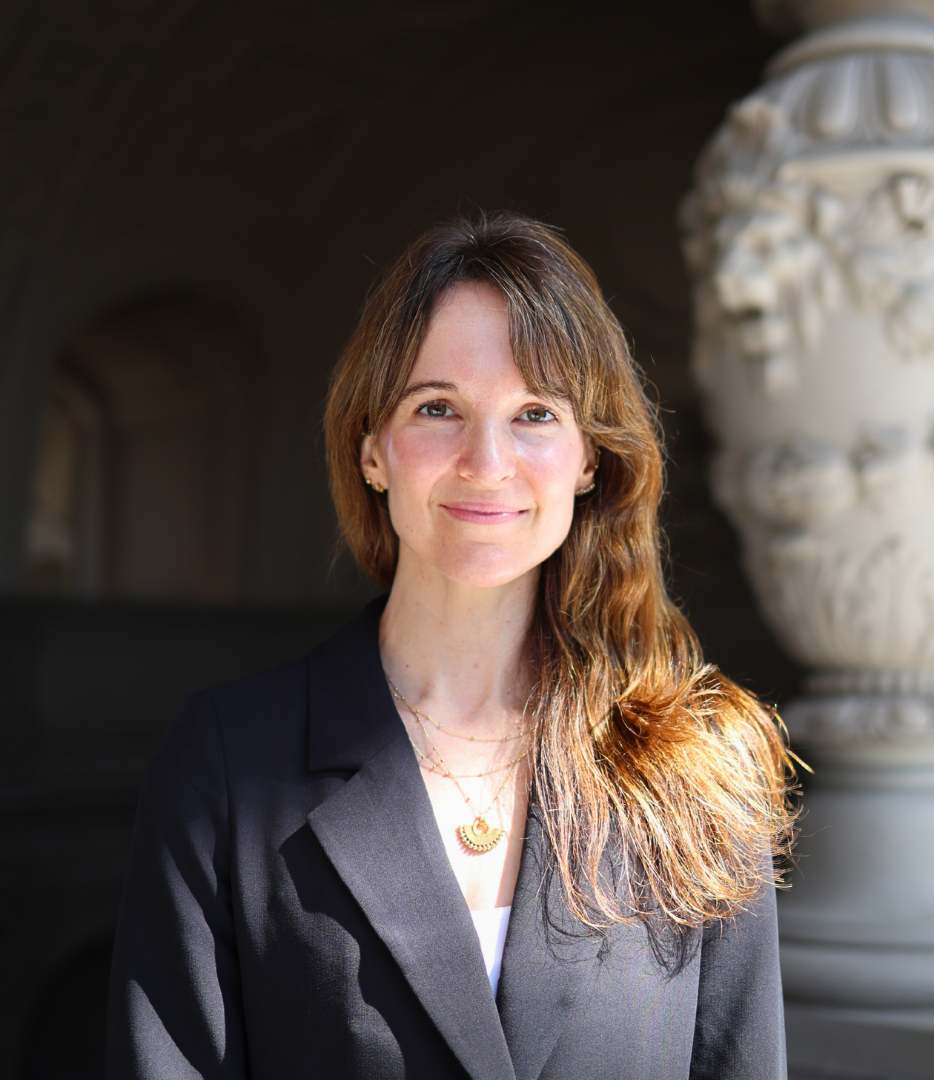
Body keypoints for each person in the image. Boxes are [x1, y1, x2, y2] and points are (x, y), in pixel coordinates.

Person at [105, 212, 795, 1079]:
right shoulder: (223, 763)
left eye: (535, 413)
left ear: (589, 460)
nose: (487, 460)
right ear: (371, 449)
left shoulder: (700, 767)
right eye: (438, 408)